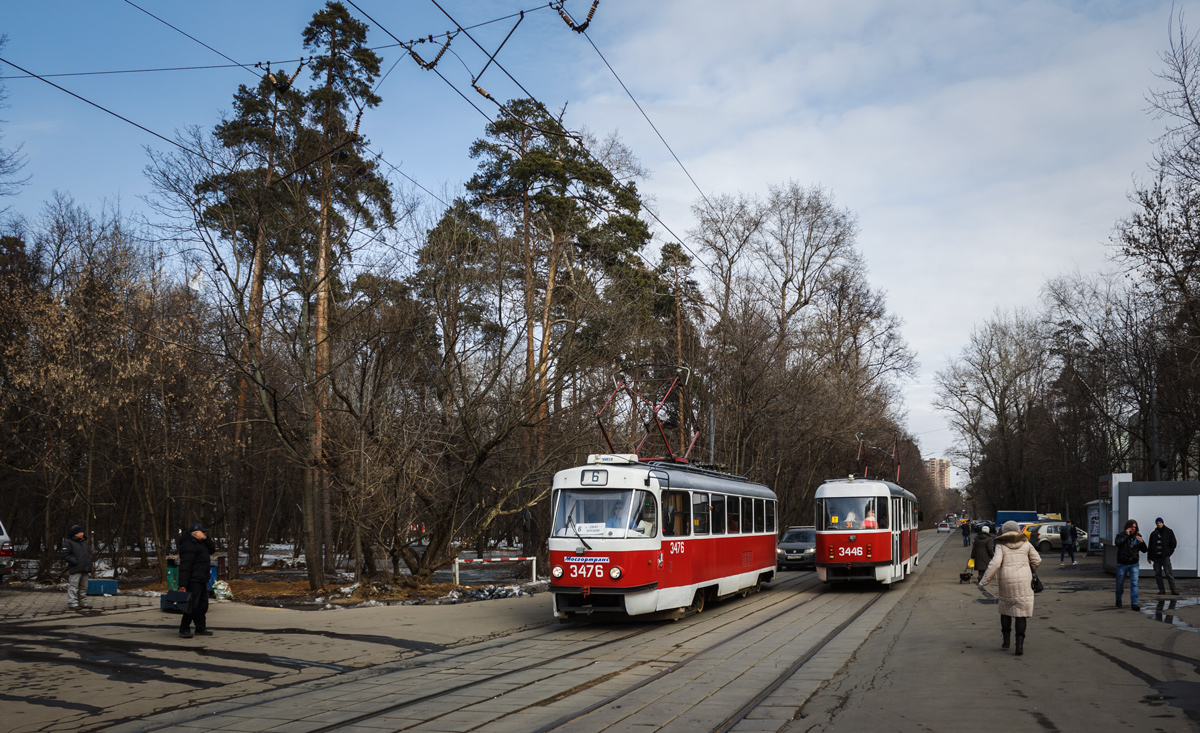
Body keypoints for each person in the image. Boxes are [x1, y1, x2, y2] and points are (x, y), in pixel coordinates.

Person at [979, 520, 1041, 656]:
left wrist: (984, 581)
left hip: (1007, 579)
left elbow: (995, 563)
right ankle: (1019, 646)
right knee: (1021, 612)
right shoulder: (1026, 543)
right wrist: (1029, 570)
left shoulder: (1001, 544)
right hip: (1025, 580)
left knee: (1005, 609)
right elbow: (1037, 560)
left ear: (1004, 531)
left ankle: (1006, 641)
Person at [177, 522, 216, 638]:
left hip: (201, 579)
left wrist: (205, 538)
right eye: (202, 531)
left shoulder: (201, 544)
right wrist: (182, 584)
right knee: (192, 606)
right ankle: (184, 628)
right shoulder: (189, 546)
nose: (205, 533)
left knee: (203, 605)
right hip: (193, 580)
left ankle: (200, 628)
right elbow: (185, 566)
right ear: (195, 533)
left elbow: (212, 549)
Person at [1114, 519, 1148, 611]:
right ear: (1127, 527)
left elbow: (1145, 550)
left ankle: (1134, 603)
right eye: (1132, 527)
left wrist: (1142, 542)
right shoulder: (1121, 535)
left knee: (1134, 583)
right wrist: (1126, 535)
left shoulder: (1137, 536)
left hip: (1134, 563)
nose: (1133, 529)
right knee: (1120, 583)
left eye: (1135, 527)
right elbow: (1117, 543)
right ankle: (1118, 599)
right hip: (1122, 563)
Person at [61, 524, 93, 611]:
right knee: (74, 586)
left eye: (82, 532)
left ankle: (83, 603)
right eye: (80, 532)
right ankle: (72, 603)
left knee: (84, 586)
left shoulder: (83, 542)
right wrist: (74, 561)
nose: (82, 533)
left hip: (85, 567)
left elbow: (88, 553)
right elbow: (65, 554)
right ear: (75, 534)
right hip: (76, 568)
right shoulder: (69, 542)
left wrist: (89, 560)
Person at [1148, 517, 1179, 596]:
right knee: (1158, 574)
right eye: (1157, 523)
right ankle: (1161, 590)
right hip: (1156, 557)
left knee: (1169, 573)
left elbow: (1173, 543)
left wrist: (1168, 553)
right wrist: (1149, 557)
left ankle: (1174, 590)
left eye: (1160, 523)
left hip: (1165, 556)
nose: (1159, 524)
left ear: (1163, 523)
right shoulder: (1153, 533)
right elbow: (1150, 546)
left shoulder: (1169, 532)